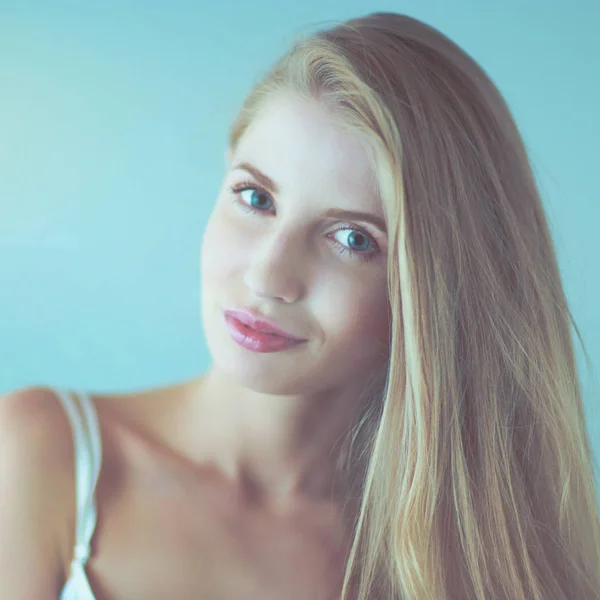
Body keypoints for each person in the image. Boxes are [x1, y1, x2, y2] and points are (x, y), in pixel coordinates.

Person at [1, 11, 599, 600]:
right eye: (255, 197)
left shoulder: (476, 557)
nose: (268, 275)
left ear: (442, 290)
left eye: (353, 239)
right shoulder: (37, 456)